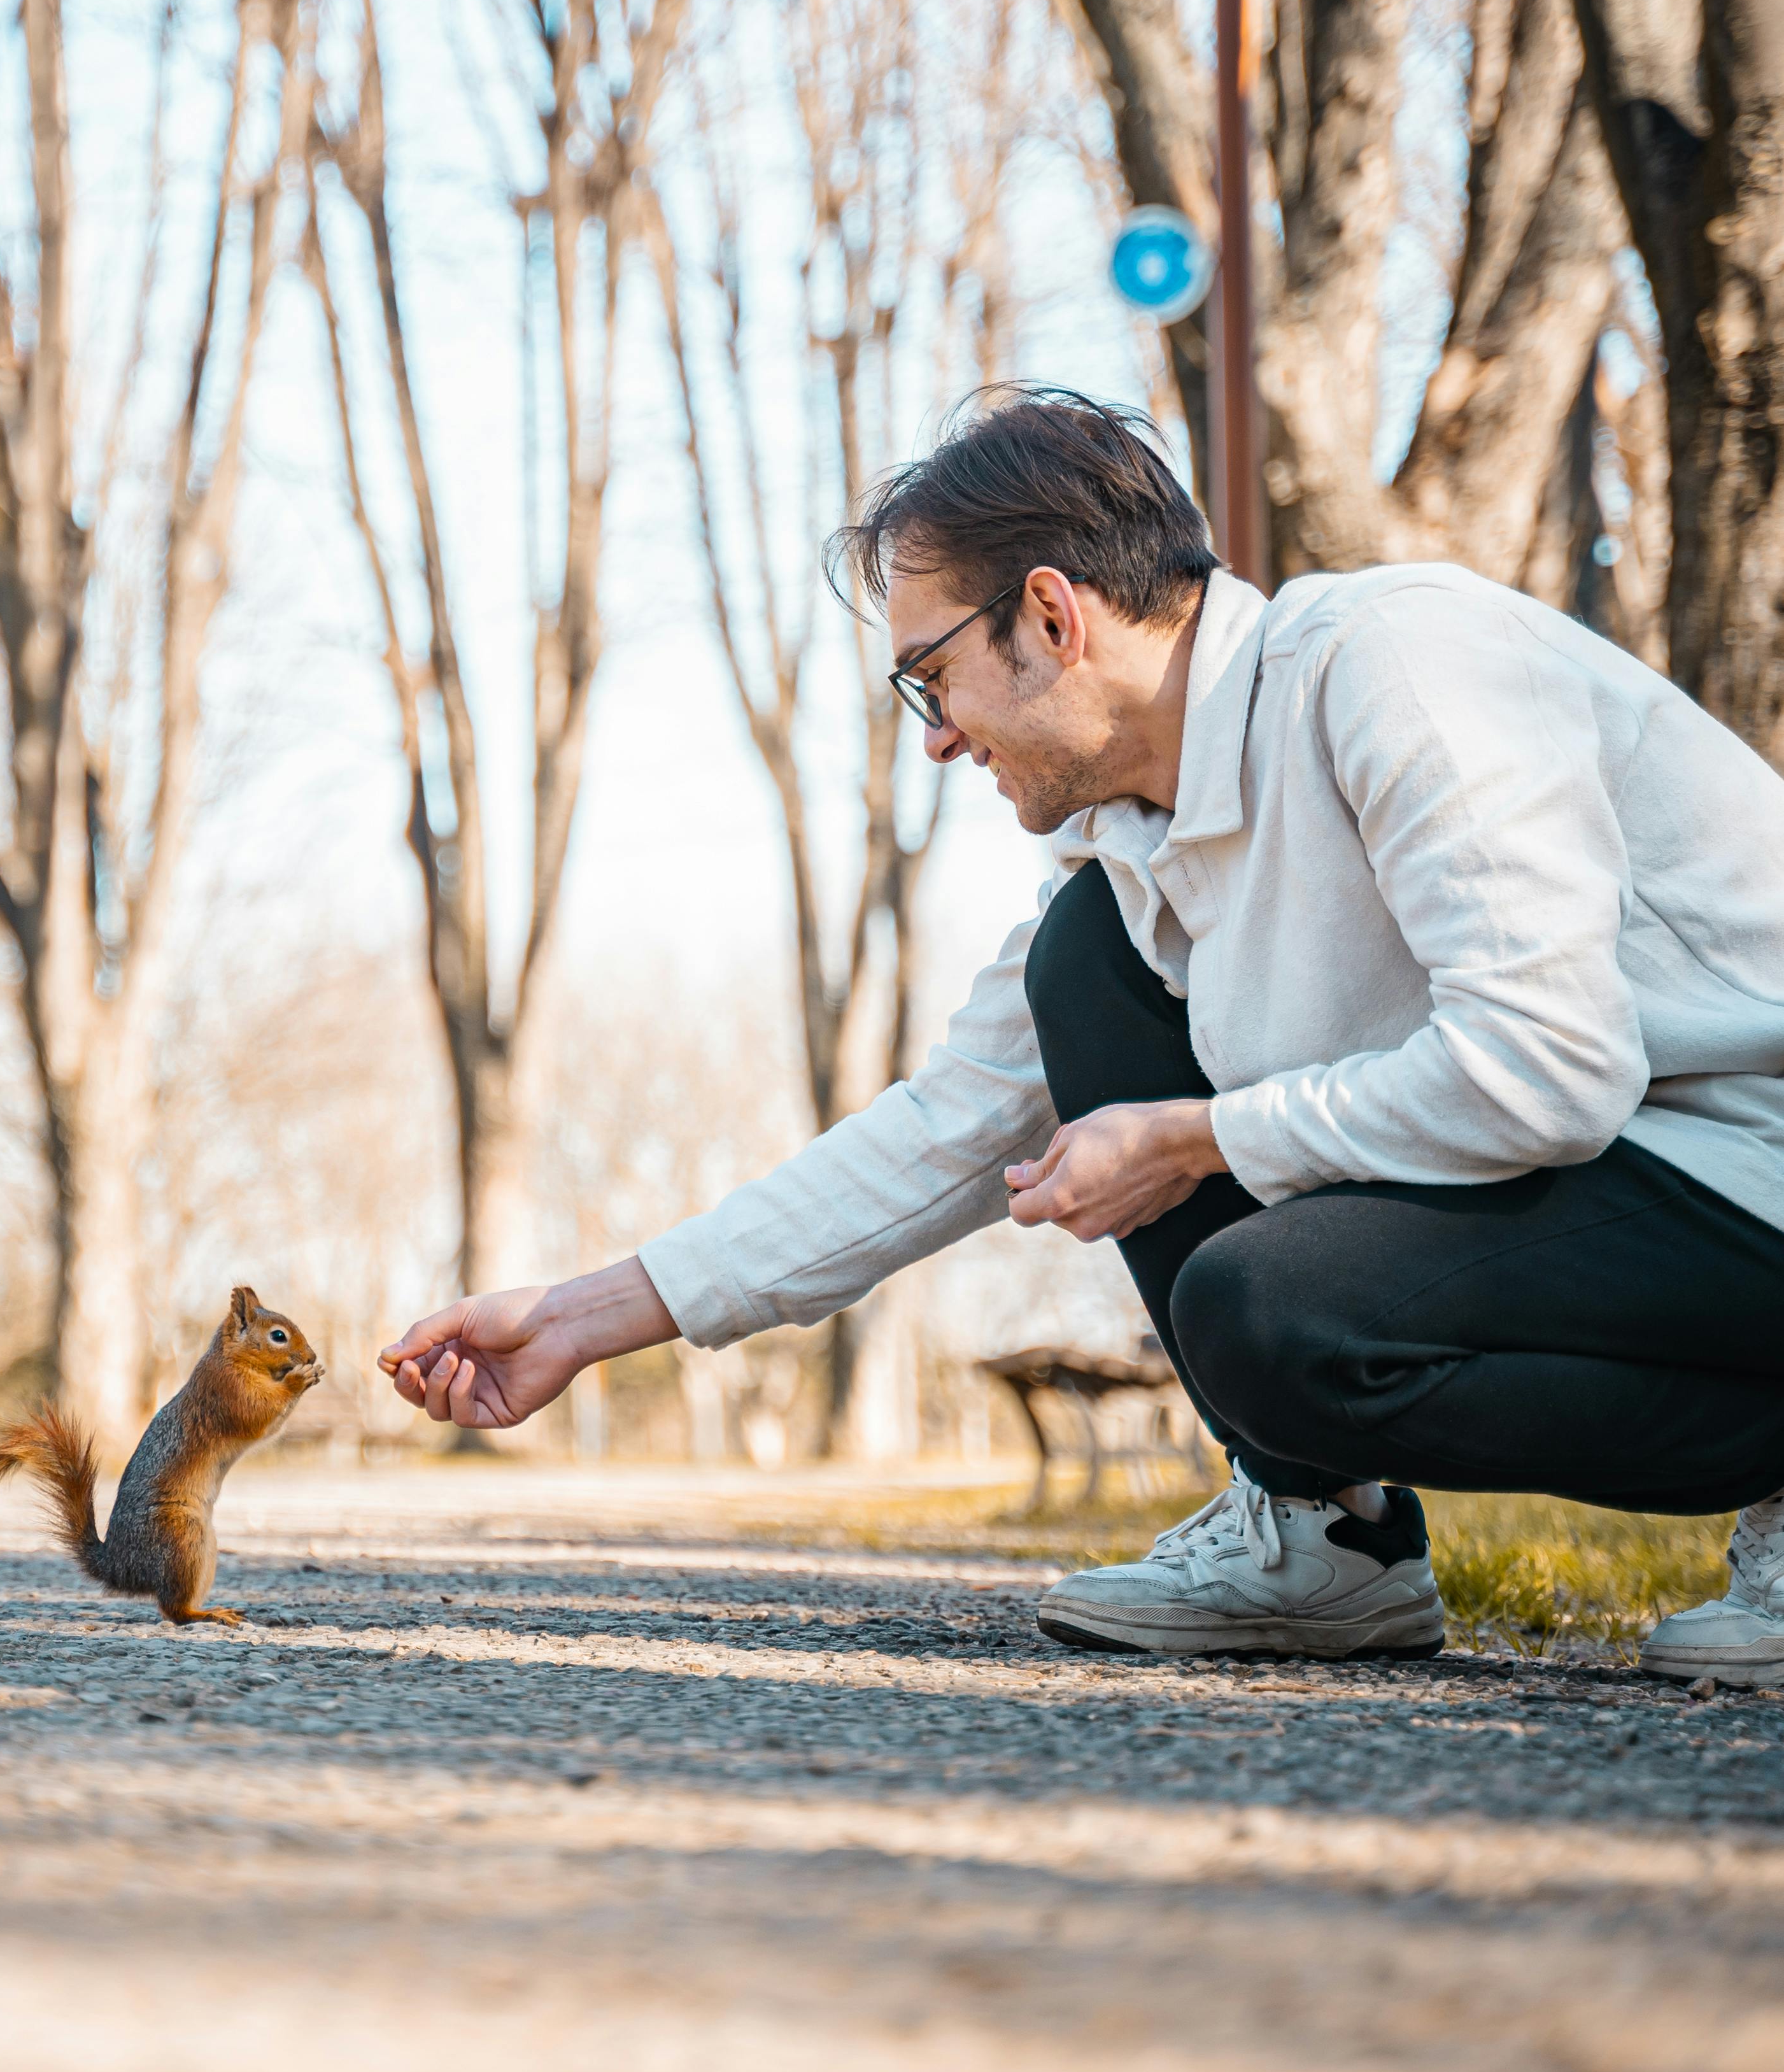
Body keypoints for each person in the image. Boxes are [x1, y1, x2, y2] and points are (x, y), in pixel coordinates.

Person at [379, 387, 1784, 1680]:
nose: (933, 737)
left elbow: (1552, 1062)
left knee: (1267, 1307)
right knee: (1090, 984)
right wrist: (575, 1319)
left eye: (930, 678)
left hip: (1742, 1168)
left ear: (1051, 618)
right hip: (1617, 1188)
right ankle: (1323, 1541)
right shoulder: (1132, 856)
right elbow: (943, 1131)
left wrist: (1198, 1136)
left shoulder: (1399, 664)